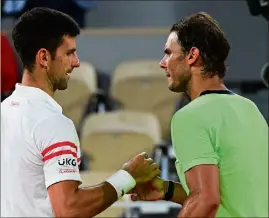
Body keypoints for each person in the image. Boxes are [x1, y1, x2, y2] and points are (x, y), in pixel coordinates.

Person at [1, 7, 161, 217]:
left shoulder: (4, 112)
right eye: (69, 53)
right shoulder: (53, 124)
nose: (76, 62)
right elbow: (69, 208)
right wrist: (127, 177)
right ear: (44, 58)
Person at [130, 12, 268, 217]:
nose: (162, 62)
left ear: (192, 56)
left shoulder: (190, 117)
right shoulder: (250, 109)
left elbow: (206, 200)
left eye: (169, 53)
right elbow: (229, 196)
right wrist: (167, 190)